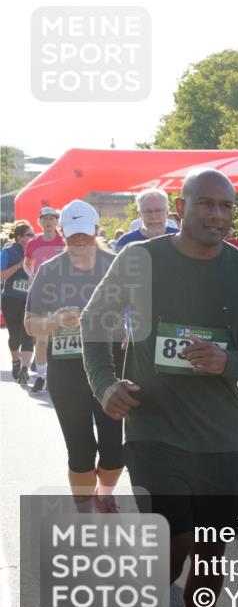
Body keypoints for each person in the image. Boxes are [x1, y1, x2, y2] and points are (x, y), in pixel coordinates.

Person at [82, 167, 238, 607]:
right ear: (181, 208)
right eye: (206, 204)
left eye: (226, 206)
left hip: (220, 437)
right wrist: (105, 385)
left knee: (210, 555)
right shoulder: (141, 259)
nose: (217, 215)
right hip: (153, 427)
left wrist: (228, 362)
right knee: (170, 539)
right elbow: (94, 321)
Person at [25, 200, 123, 513]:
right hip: (67, 370)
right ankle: (84, 511)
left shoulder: (117, 265)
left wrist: (128, 328)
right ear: (63, 233)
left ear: (96, 230)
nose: (79, 240)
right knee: (80, 450)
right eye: (73, 235)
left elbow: (140, 312)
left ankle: (104, 494)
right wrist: (54, 321)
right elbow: (30, 323)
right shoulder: (49, 270)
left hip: (111, 366)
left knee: (114, 450)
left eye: (85, 234)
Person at [25, 205, 66, 392]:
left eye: (52, 218)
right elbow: (27, 264)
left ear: (57, 221)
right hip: (40, 294)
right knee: (42, 338)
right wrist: (31, 274)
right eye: (45, 219)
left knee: (59, 338)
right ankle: (41, 376)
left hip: (63, 295)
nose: (48, 222)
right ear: (39, 221)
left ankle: (56, 376)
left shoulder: (64, 241)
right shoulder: (33, 243)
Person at [1, 221, 36, 383]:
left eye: (33, 234)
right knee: (15, 335)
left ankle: (24, 369)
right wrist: (19, 265)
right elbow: (2, 276)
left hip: (30, 299)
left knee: (28, 334)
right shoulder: (7, 251)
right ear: (19, 237)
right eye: (29, 235)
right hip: (11, 299)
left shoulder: (36, 250)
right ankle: (16, 361)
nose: (33, 237)